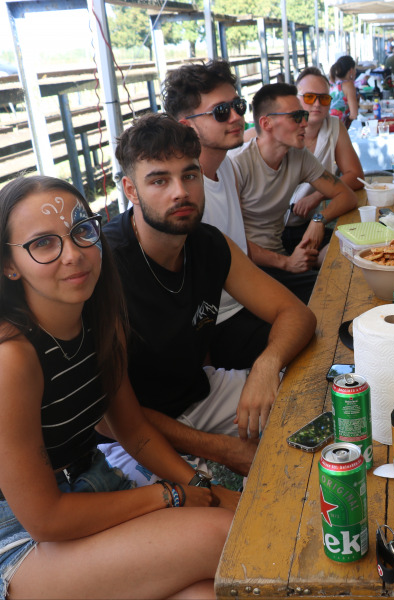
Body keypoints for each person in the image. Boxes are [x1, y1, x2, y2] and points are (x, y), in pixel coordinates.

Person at [0, 175, 236, 598]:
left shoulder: (98, 315)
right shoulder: (11, 358)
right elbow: (44, 518)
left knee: (209, 590)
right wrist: (169, 496)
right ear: (9, 265)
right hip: (17, 538)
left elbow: (132, 428)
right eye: (43, 244)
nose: (73, 255)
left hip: (92, 484)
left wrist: (202, 489)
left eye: (82, 231)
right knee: (225, 535)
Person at [100, 113, 316, 485]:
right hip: (128, 433)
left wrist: (267, 366)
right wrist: (221, 449)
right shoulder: (105, 267)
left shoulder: (209, 242)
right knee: (213, 524)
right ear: (130, 190)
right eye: (159, 180)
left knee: (313, 407)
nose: (180, 191)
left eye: (189, 175)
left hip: (199, 394)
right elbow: (110, 416)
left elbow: (296, 314)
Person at [162, 59, 270, 372]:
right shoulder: (182, 198)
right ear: (186, 126)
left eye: (239, 105)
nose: (237, 117)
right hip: (218, 326)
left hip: (247, 300)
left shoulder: (227, 166)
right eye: (221, 111)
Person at [230, 83, 358, 304]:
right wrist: (286, 263)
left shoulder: (298, 156)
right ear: (266, 123)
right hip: (249, 269)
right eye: (296, 116)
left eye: (303, 115)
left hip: (281, 254)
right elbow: (229, 242)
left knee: (353, 255)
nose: (305, 123)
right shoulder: (237, 166)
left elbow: (347, 196)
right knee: (337, 292)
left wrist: (318, 220)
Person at [283, 67, 364, 257]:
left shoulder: (334, 126)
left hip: (308, 224)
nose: (317, 104)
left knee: (351, 251)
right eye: (309, 97)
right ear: (296, 99)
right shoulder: (281, 130)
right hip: (274, 231)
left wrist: (318, 195)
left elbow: (356, 175)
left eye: (324, 98)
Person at [329, 55, 359, 128]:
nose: (356, 72)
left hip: (328, 126)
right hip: (337, 129)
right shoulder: (348, 85)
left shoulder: (331, 83)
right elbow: (354, 115)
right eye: (355, 69)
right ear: (351, 70)